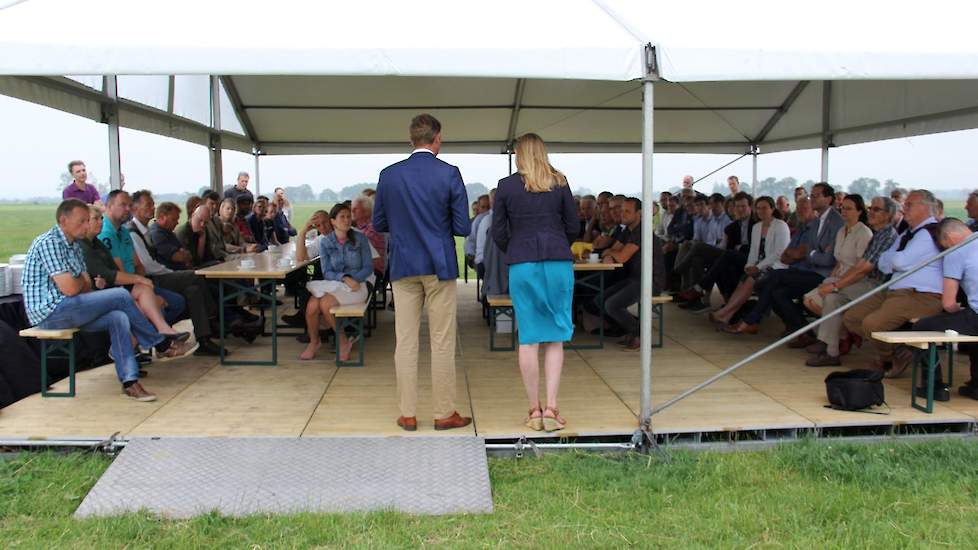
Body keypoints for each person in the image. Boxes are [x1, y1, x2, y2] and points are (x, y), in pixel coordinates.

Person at [23, 200, 194, 402]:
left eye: (89, 220)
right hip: (49, 313)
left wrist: (78, 281)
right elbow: (71, 287)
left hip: (71, 306)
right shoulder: (49, 242)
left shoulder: (75, 245)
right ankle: (160, 342)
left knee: (118, 317)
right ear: (63, 220)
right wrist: (79, 281)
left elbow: (84, 284)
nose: (87, 226)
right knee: (121, 296)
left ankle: (130, 382)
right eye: (82, 221)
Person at [372, 113, 472, 432]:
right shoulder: (450, 174)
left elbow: (378, 224)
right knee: (442, 340)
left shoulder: (389, 175)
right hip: (439, 265)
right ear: (437, 138)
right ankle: (444, 413)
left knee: (406, 339)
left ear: (411, 139)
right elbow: (462, 226)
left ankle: (408, 413)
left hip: (403, 264)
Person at [493, 133, 579, 431]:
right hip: (557, 260)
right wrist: (557, 244)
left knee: (528, 337)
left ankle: (533, 410)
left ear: (518, 154)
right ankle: (552, 409)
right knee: (555, 336)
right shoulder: (561, 181)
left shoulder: (505, 186)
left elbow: (498, 232)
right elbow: (573, 226)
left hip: (522, 263)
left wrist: (517, 248)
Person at [127, 190, 248, 354]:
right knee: (196, 277)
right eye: (148, 204)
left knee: (194, 290)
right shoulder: (135, 232)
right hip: (153, 279)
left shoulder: (148, 231)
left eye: (153, 204)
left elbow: (187, 256)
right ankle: (217, 318)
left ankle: (204, 339)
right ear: (134, 208)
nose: (152, 207)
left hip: (162, 275)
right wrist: (170, 270)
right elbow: (148, 265)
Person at [843, 189, 946, 376]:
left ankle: (888, 359)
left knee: (872, 324)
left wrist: (895, 260)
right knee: (852, 317)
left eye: (909, 205)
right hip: (894, 290)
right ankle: (898, 351)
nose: (904, 208)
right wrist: (895, 260)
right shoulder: (908, 232)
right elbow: (884, 263)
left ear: (925, 208)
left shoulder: (928, 233)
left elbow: (898, 261)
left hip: (920, 295)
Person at [727, 183, 844, 335]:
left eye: (816, 196)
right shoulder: (811, 224)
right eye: (811, 196)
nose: (812, 199)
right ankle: (802, 332)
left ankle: (752, 320)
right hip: (802, 270)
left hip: (822, 275)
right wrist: (811, 253)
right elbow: (786, 255)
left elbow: (828, 260)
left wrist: (809, 254)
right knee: (776, 292)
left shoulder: (835, 222)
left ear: (828, 199)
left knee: (772, 277)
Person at [803, 196, 899, 366]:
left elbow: (863, 269)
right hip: (864, 283)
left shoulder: (886, 235)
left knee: (825, 295)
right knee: (831, 298)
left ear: (888, 215)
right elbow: (858, 265)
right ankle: (831, 352)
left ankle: (837, 338)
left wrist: (834, 285)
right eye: (871, 208)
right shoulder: (878, 234)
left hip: (877, 287)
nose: (871, 212)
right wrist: (833, 284)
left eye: (876, 209)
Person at [82, 205, 188, 339]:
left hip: (113, 288)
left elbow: (116, 270)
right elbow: (108, 274)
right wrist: (139, 279)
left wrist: (139, 281)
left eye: (101, 218)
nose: (101, 221)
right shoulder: (87, 244)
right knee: (145, 305)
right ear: (84, 222)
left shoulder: (97, 243)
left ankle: (162, 332)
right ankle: (158, 343)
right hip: (98, 294)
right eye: (95, 219)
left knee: (149, 293)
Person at [793, 194, 873, 348]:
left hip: (856, 280)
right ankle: (844, 333)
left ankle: (829, 341)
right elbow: (839, 260)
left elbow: (860, 267)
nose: (844, 211)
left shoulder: (863, 232)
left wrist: (837, 284)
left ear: (859, 211)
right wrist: (830, 278)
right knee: (808, 301)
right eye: (842, 208)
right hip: (838, 276)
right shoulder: (841, 230)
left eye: (849, 209)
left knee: (823, 300)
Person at [912, 218, 978, 400]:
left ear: (949, 237)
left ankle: (934, 387)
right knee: (970, 333)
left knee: (920, 328)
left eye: (944, 245)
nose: (945, 249)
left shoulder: (956, 252)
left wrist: (956, 309)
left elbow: (948, 303)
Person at [299, 204, 373, 362]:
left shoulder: (359, 238)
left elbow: (368, 267)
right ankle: (314, 342)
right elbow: (327, 272)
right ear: (334, 221)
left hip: (358, 285)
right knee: (312, 306)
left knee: (325, 303)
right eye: (342, 217)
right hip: (337, 283)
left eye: (348, 216)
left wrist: (354, 280)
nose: (346, 220)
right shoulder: (325, 242)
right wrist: (345, 277)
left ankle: (343, 341)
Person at [708, 197, 791, 327]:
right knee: (744, 278)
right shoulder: (757, 227)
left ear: (772, 209)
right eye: (758, 208)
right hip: (758, 265)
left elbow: (779, 253)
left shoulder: (781, 226)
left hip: (775, 266)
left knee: (751, 279)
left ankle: (724, 313)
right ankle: (726, 315)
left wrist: (758, 267)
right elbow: (753, 251)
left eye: (764, 208)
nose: (761, 211)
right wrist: (749, 265)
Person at [601, 198, 663, 351]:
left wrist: (611, 253)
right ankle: (634, 329)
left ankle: (640, 333)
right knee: (599, 301)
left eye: (627, 211)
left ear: (640, 213)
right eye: (622, 211)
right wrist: (610, 253)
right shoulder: (627, 230)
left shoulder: (642, 231)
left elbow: (621, 256)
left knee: (611, 305)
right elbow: (614, 250)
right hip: (635, 278)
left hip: (650, 280)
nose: (622, 214)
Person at [680, 191, 755, 307]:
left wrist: (739, 247)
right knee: (698, 258)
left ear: (750, 207)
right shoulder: (732, 227)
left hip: (751, 258)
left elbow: (756, 247)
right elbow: (726, 246)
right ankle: (701, 300)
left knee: (700, 247)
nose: (740, 209)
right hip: (731, 256)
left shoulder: (756, 224)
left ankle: (692, 282)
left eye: (743, 206)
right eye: (738, 206)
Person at [674, 193, 730, 306]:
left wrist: (700, 245)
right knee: (694, 256)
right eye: (697, 205)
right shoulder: (699, 220)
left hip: (722, 253)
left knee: (696, 247)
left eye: (702, 205)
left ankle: (678, 270)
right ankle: (692, 296)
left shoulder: (725, 220)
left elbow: (719, 244)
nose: (700, 208)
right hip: (705, 250)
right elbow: (698, 239)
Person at [150, 202, 194, 270]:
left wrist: (183, 254)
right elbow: (178, 257)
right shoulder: (157, 234)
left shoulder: (169, 232)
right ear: (162, 217)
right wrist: (182, 254)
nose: (177, 223)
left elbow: (188, 255)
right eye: (174, 219)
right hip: (169, 274)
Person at [351, 194, 386, 274]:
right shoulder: (360, 228)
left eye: (356, 209)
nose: (352, 211)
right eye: (352, 208)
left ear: (367, 211)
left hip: (373, 273)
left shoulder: (372, 230)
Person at [465, 195, 491, 270]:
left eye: (488, 207)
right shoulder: (477, 221)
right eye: (483, 207)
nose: (486, 210)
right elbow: (470, 243)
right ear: (478, 208)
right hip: (481, 260)